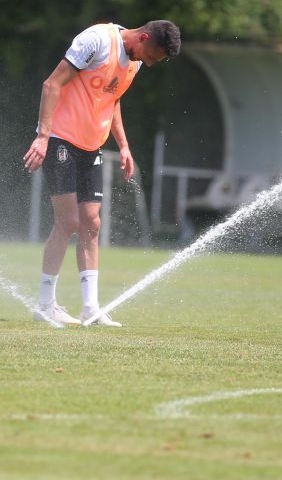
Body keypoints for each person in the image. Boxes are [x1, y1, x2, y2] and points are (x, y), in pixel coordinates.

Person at [23, 20, 181, 326]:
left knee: (92, 223)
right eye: (152, 56)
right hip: (60, 138)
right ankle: (44, 304)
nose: (150, 62)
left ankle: (90, 308)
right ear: (144, 37)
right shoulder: (96, 40)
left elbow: (112, 99)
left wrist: (123, 146)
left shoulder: (134, 64)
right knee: (68, 221)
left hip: (91, 146)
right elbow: (51, 84)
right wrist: (42, 137)